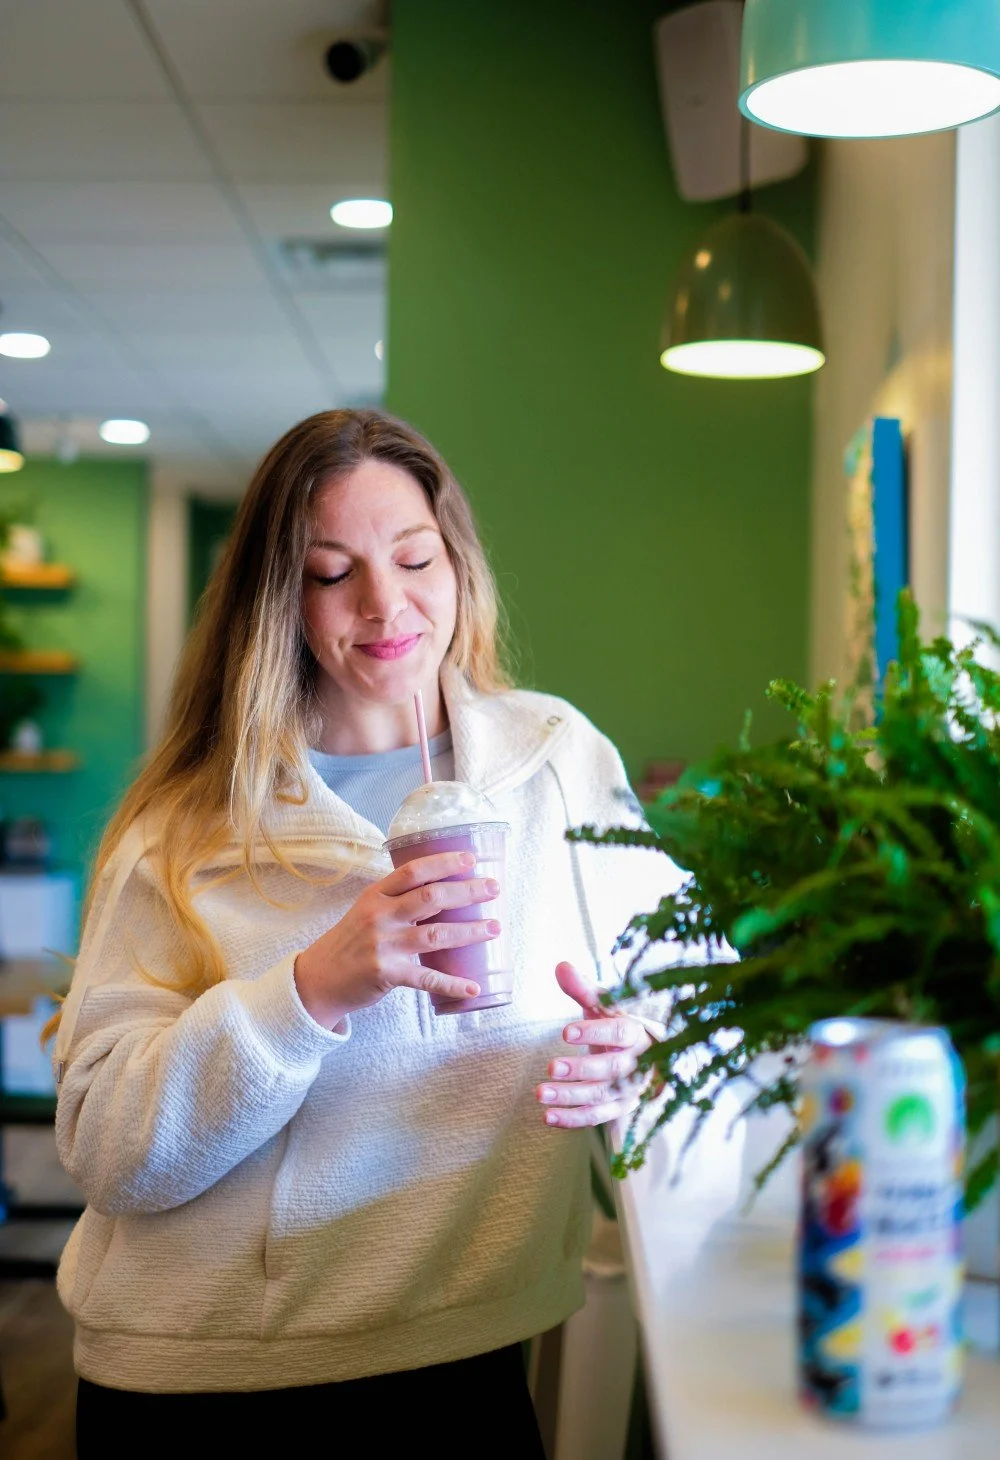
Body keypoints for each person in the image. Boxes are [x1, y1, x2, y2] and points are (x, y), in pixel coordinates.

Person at [51, 409, 679, 1458]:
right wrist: (309, 989)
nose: (386, 604)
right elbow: (108, 1147)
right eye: (331, 571)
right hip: (201, 1377)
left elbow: (686, 986)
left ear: (457, 561)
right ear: (277, 601)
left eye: (413, 556)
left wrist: (640, 1053)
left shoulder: (553, 761)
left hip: (459, 1358)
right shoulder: (189, 827)